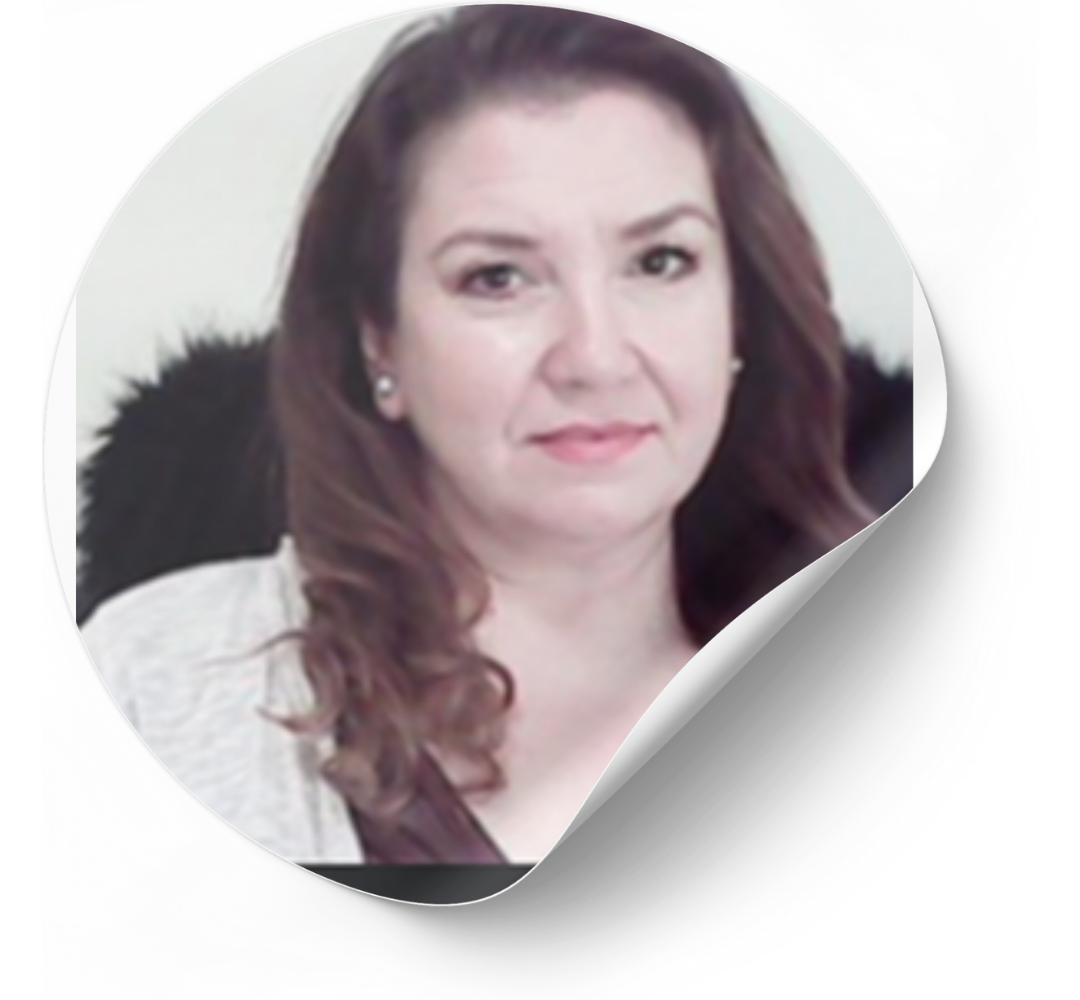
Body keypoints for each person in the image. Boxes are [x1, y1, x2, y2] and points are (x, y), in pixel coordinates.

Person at [80, 4, 875, 867]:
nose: (596, 358)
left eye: (659, 263)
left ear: (740, 316)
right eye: (498, 278)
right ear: (380, 342)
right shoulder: (153, 679)